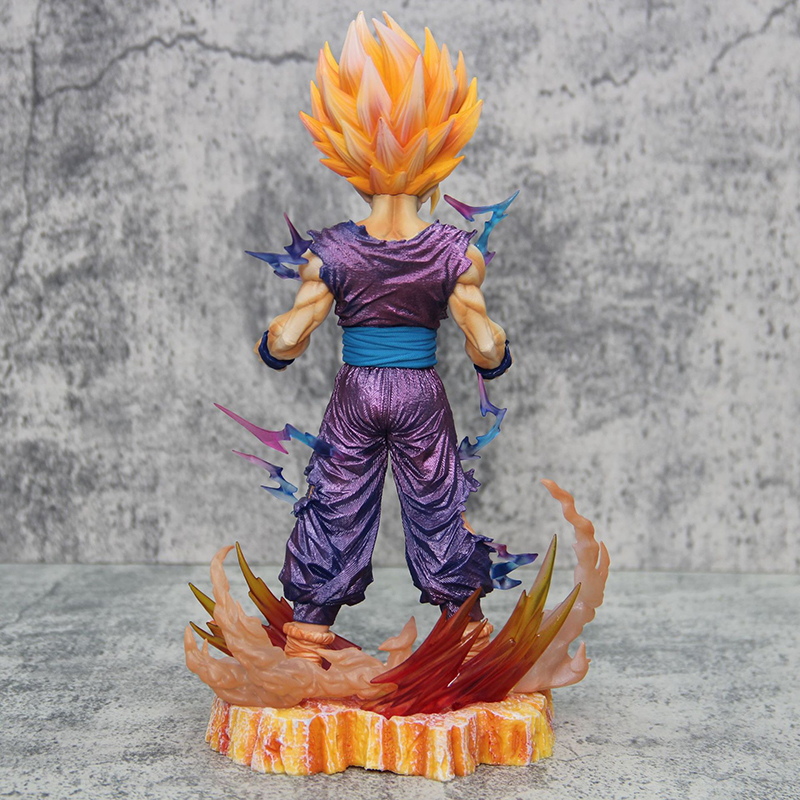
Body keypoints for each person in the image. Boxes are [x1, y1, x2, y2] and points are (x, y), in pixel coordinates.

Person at [256, 13, 512, 664]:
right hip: (419, 392)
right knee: (437, 503)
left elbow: (288, 339)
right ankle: (466, 632)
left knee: (336, 501)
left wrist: (275, 340)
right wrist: (494, 350)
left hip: (356, 392)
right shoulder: (455, 252)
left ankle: (308, 635)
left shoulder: (332, 251)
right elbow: (485, 347)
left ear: (349, 155)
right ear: (440, 153)